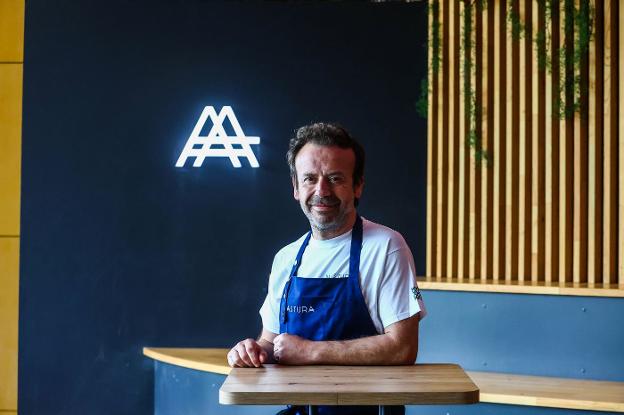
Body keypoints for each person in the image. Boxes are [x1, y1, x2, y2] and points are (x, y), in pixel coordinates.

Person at [227, 122, 426, 415]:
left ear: (357, 186)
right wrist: (253, 352)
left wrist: (309, 352)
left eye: (335, 178)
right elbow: (272, 342)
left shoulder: (386, 246)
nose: (322, 191)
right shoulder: (286, 258)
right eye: (309, 179)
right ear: (296, 188)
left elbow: (402, 348)